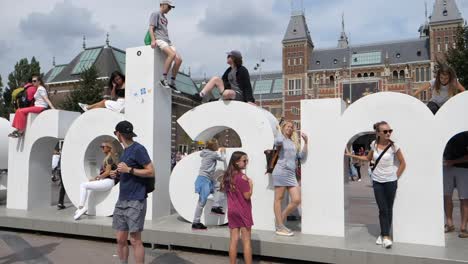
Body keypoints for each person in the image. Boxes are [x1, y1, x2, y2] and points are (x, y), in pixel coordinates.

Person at [346, 121, 406, 249]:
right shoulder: (374, 144)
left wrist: (395, 177)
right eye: (385, 131)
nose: (388, 133)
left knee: (388, 209)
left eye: (390, 131)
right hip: (377, 181)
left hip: (390, 182)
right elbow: (368, 159)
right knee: (382, 209)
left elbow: (402, 163)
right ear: (378, 133)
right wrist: (352, 155)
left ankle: (384, 234)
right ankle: (385, 235)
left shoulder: (394, 146)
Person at [111, 121, 155, 264]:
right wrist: (116, 174)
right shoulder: (125, 151)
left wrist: (129, 170)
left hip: (136, 200)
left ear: (118, 134)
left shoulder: (138, 149)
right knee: (120, 239)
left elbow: (150, 171)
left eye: (115, 133)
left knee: (135, 240)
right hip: (122, 199)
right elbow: (126, 172)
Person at [272, 121, 308, 236]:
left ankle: (280, 220)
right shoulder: (281, 139)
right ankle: (280, 226)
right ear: (283, 127)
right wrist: (279, 130)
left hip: (291, 174)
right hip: (281, 171)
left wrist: (306, 143)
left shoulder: (292, 142)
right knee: (279, 198)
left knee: (297, 200)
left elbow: (301, 157)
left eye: (291, 127)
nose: (290, 128)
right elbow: (277, 141)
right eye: (288, 126)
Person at [221, 151, 253, 264]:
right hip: (243, 211)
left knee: (233, 240)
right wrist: (251, 185)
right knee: (247, 242)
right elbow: (247, 196)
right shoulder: (242, 178)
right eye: (244, 160)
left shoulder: (228, 176)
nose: (246, 163)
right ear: (236, 162)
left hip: (232, 211)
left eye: (247, 160)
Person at [74, 141, 119, 220]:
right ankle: (81, 207)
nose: (102, 148)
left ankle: (81, 207)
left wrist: (97, 178)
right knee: (85, 185)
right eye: (101, 146)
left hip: (108, 181)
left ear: (108, 148)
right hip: (106, 181)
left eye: (103, 146)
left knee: (83, 185)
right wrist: (97, 178)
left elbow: (107, 172)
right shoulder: (108, 157)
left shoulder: (109, 158)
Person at [190, 50, 255, 105]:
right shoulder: (228, 71)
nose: (227, 57)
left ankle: (219, 99)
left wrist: (250, 100)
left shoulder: (242, 70)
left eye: (229, 56)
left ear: (234, 58)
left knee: (227, 93)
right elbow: (223, 82)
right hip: (227, 92)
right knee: (215, 79)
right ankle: (200, 95)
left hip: (239, 94)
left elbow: (247, 86)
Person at [192, 139, 226, 230]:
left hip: (206, 179)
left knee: (218, 186)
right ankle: (196, 222)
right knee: (201, 202)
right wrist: (223, 151)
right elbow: (223, 159)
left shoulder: (205, 153)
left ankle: (215, 206)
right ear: (213, 146)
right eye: (217, 145)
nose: (218, 146)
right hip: (204, 179)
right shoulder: (212, 154)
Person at [149, 0, 182, 93]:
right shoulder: (155, 14)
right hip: (159, 39)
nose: (170, 9)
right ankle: (163, 78)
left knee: (179, 60)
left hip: (167, 41)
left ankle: (172, 82)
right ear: (163, 5)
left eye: (171, 7)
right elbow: (151, 28)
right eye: (169, 7)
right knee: (171, 54)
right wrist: (153, 40)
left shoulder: (165, 19)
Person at [443, 132, 468, 238]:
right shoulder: (445, 132)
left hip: (463, 169)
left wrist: (452, 162)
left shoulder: (465, 133)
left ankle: (463, 227)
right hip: (447, 167)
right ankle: (449, 224)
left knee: (464, 198)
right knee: (447, 196)